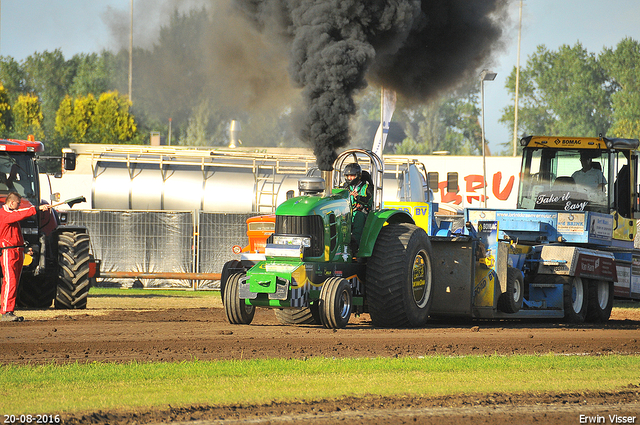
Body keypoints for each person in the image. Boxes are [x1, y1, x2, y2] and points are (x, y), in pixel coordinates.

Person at [0, 192, 51, 322]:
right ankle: (6, 311)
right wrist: (36, 209)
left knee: (14, 282)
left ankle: (9, 310)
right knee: (10, 281)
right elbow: (19, 214)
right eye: (17, 204)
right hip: (8, 252)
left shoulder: (11, 215)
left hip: (17, 251)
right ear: (11, 203)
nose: (18, 206)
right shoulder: (4, 214)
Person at [341, 163, 372, 251]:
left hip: (361, 212)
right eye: (348, 176)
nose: (349, 178)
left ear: (358, 176)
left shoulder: (366, 187)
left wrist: (357, 197)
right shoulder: (344, 187)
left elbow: (368, 200)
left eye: (352, 176)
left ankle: (355, 248)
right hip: (346, 212)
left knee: (358, 216)